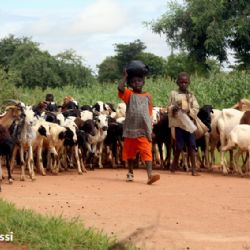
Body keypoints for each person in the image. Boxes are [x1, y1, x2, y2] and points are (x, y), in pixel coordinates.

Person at [118, 70, 160, 185]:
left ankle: (150, 176)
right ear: (130, 84)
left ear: (143, 83)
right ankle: (130, 172)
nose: (137, 83)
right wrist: (125, 77)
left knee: (147, 151)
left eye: (139, 81)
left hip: (143, 130)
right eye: (134, 82)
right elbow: (120, 88)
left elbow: (149, 114)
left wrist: (150, 130)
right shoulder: (129, 94)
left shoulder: (148, 96)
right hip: (130, 129)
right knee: (130, 154)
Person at [167, 72, 200, 176]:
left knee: (192, 145)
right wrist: (174, 108)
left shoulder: (191, 95)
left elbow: (196, 108)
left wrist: (188, 111)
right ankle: (174, 164)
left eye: (186, 82)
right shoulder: (173, 94)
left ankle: (194, 169)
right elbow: (169, 107)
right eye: (181, 82)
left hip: (188, 123)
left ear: (189, 83)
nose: (183, 84)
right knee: (179, 146)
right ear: (177, 82)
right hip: (178, 124)